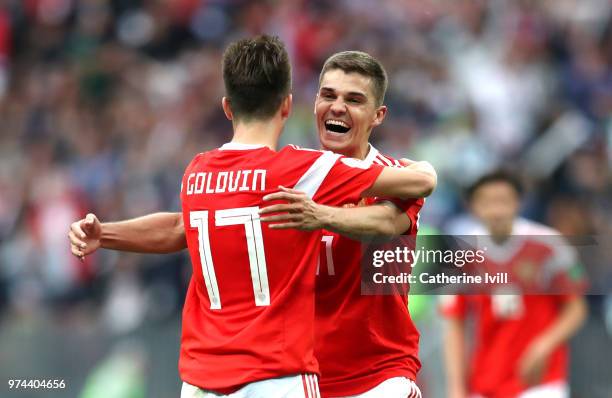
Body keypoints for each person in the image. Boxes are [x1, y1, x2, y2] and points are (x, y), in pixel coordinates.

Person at [69, 35, 436, 398]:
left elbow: (387, 224)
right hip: (303, 375)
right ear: (300, 105)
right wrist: (108, 234)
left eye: (354, 99)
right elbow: (184, 223)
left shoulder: (387, 178)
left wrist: (319, 214)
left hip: (376, 377)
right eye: (328, 95)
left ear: (378, 115)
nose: (337, 107)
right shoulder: (290, 171)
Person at [441, 170, 587, 398]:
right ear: (474, 207)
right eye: (488, 202)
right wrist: (456, 388)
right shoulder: (464, 255)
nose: (497, 210)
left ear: (518, 203)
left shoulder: (547, 245)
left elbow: (576, 308)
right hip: (486, 381)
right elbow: (454, 324)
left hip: (541, 380)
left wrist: (543, 345)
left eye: (503, 201)